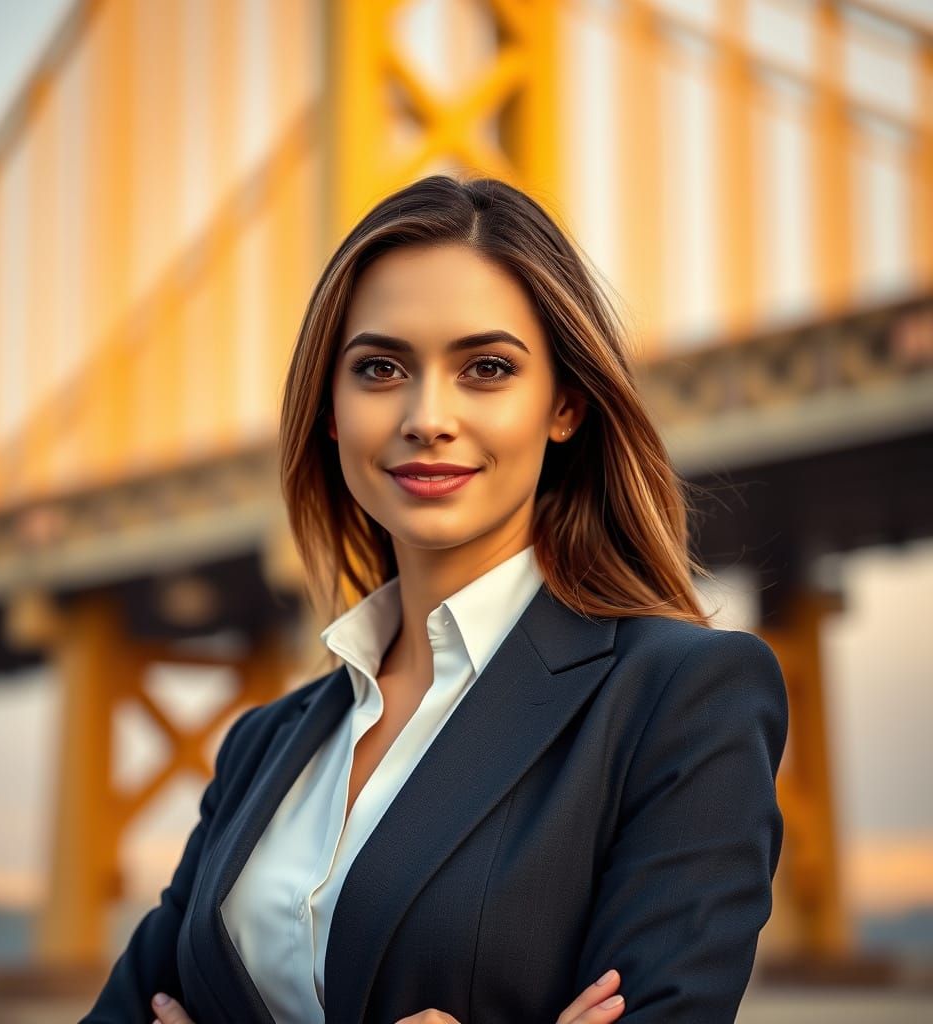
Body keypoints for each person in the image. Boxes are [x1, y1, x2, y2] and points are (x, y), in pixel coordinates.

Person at [81, 175, 788, 1024]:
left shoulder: (681, 698)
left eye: (487, 368)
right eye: (379, 368)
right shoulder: (262, 746)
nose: (427, 415)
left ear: (564, 404)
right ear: (331, 411)